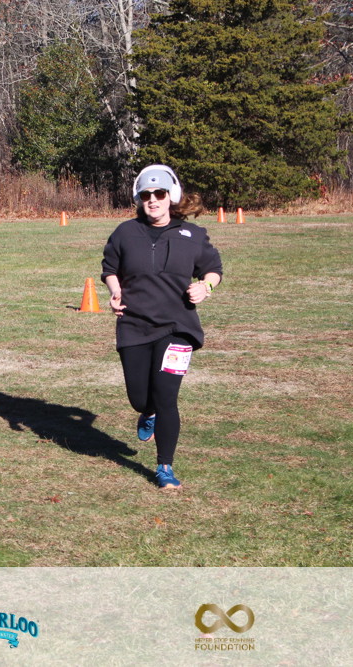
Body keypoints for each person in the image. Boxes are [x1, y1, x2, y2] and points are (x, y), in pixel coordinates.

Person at [101, 164, 223, 488]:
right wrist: (115, 291)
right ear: (139, 199)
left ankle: (164, 467)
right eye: (146, 195)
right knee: (140, 398)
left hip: (178, 327)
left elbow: (213, 269)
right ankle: (148, 412)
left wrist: (206, 287)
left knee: (167, 396)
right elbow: (110, 268)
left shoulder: (192, 235)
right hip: (135, 325)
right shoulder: (125, 233)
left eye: (159, 193)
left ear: (171, 197)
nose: (153, 200)